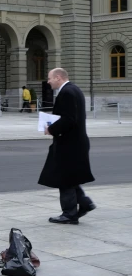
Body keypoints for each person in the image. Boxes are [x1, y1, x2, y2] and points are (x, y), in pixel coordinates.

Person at [39, 68, 96, 224]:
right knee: (70, 175)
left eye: (50, 78)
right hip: (74, 142)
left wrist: (51, 129)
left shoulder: (67, 93)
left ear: (58, 77)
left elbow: (69, 119)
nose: (48, 81)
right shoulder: (74, 90)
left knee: (64, 178)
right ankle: (84, 203)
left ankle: (69, 214)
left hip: (69, 143)